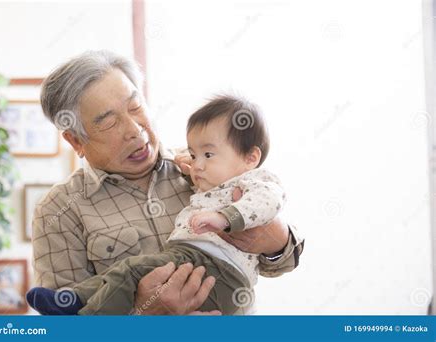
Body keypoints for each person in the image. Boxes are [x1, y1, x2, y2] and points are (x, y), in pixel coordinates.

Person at [30, 50, 305, 315]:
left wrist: (277, 241)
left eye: (135, 107)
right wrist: (143, 319)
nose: (135, 130)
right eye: (109, 122)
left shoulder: (203, 168)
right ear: (76, 140)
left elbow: (284, 261)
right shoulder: (58, 211)